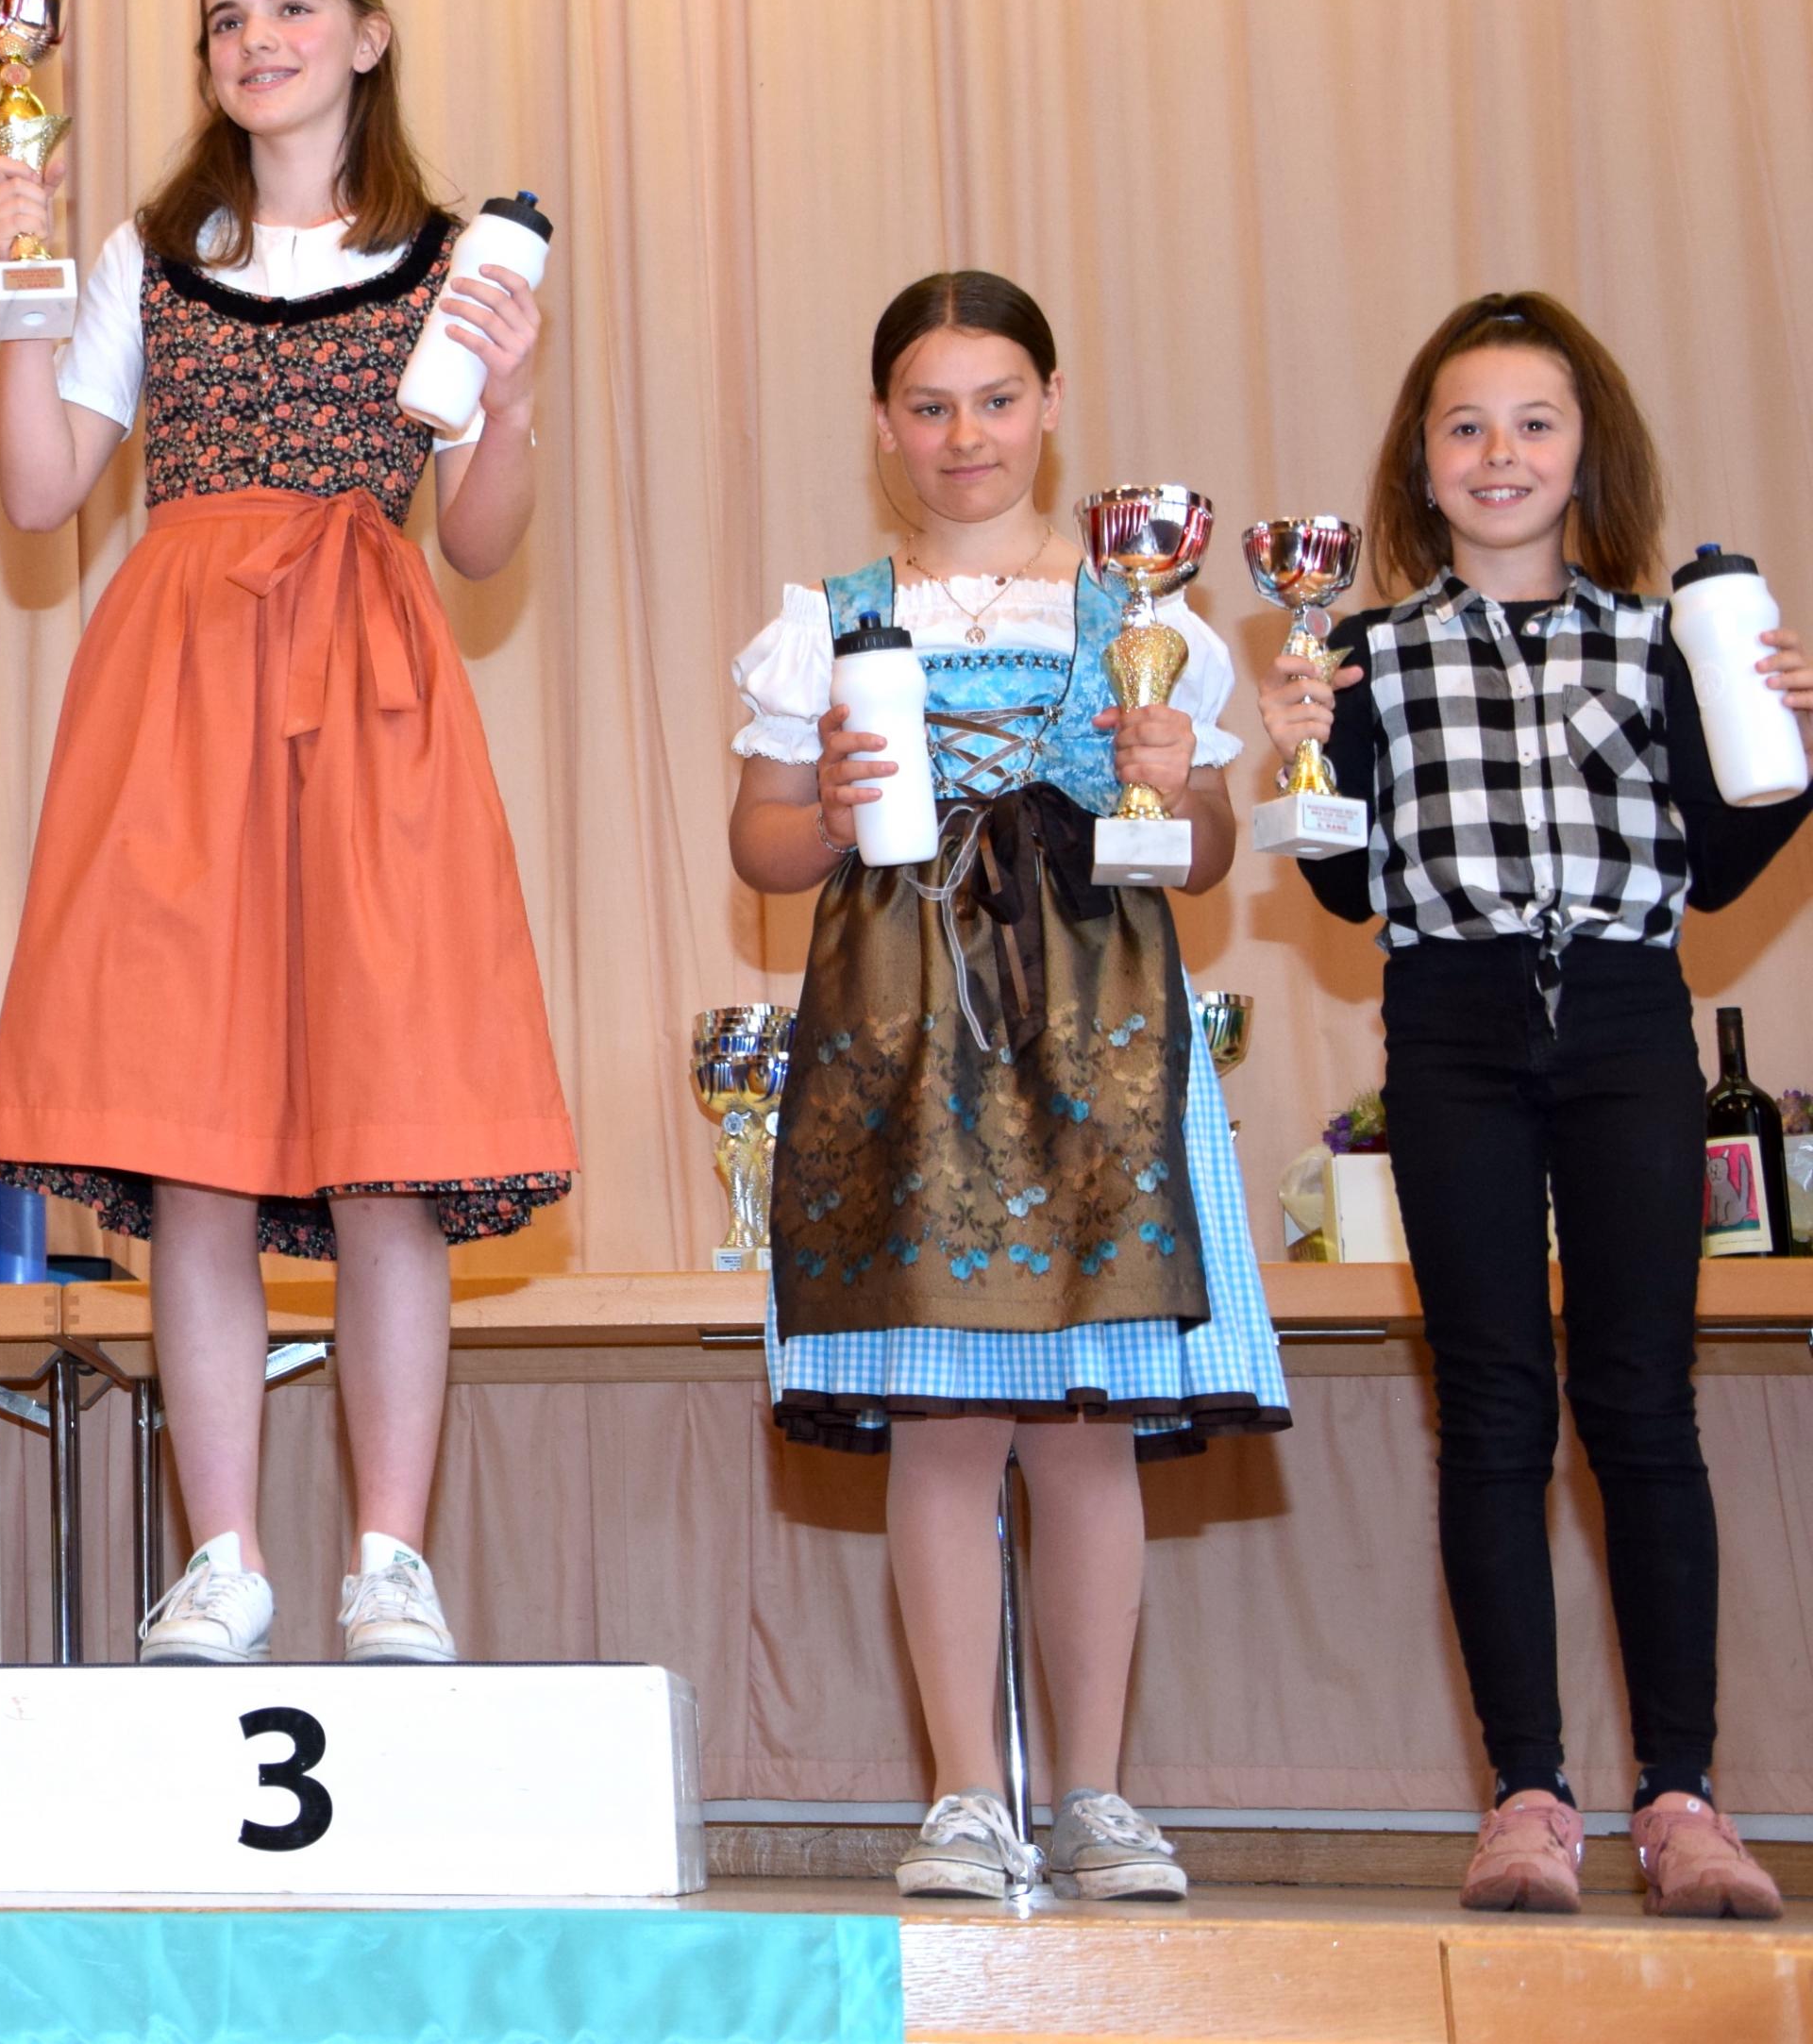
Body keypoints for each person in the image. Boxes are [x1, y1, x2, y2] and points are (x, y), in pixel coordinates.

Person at [0, 0, 577, 1670]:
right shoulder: (147, 251)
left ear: (367, 35)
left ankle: (390, 1557)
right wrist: (15, 278)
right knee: (195, 1150)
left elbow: (478, 542)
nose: (258, 40)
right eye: (227, 16)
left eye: (293, 6)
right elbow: (39, 491)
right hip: (177, 698)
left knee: (391, 1150)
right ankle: (222, 1554)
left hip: (369, 689)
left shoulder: (458, 258)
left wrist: (511, 404)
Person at [726, 272, 1287, 1905]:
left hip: (1096, 1038)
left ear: (1048, 404)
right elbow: (760, 845)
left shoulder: (1139, 609)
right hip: (905, 1043)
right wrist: (829, 812)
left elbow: (1206, 853)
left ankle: (1095, 1791)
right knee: (945, 1428)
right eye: (928, 404)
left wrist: (1177, 783)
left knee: (1085, 1431)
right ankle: (967, 1790)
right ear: (883, 424)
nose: (962, 434)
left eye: (994, 399)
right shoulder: (830, 613)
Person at [1260, 291, 1809, 1919]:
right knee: (1494, 1410)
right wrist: (1299, 759)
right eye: (1465, 426)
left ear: (1586, 454)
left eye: (1534, 423)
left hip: (1630, 1019)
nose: (1499, 453)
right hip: (1451, 1025)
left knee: (1643, 1406)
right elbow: (1347, 891)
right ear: (1421, 464)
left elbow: (1721, 864)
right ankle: (1525, 1796)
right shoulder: (1364, 654)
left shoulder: (1662, 641)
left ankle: (1682, 1798)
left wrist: (1794, 735)